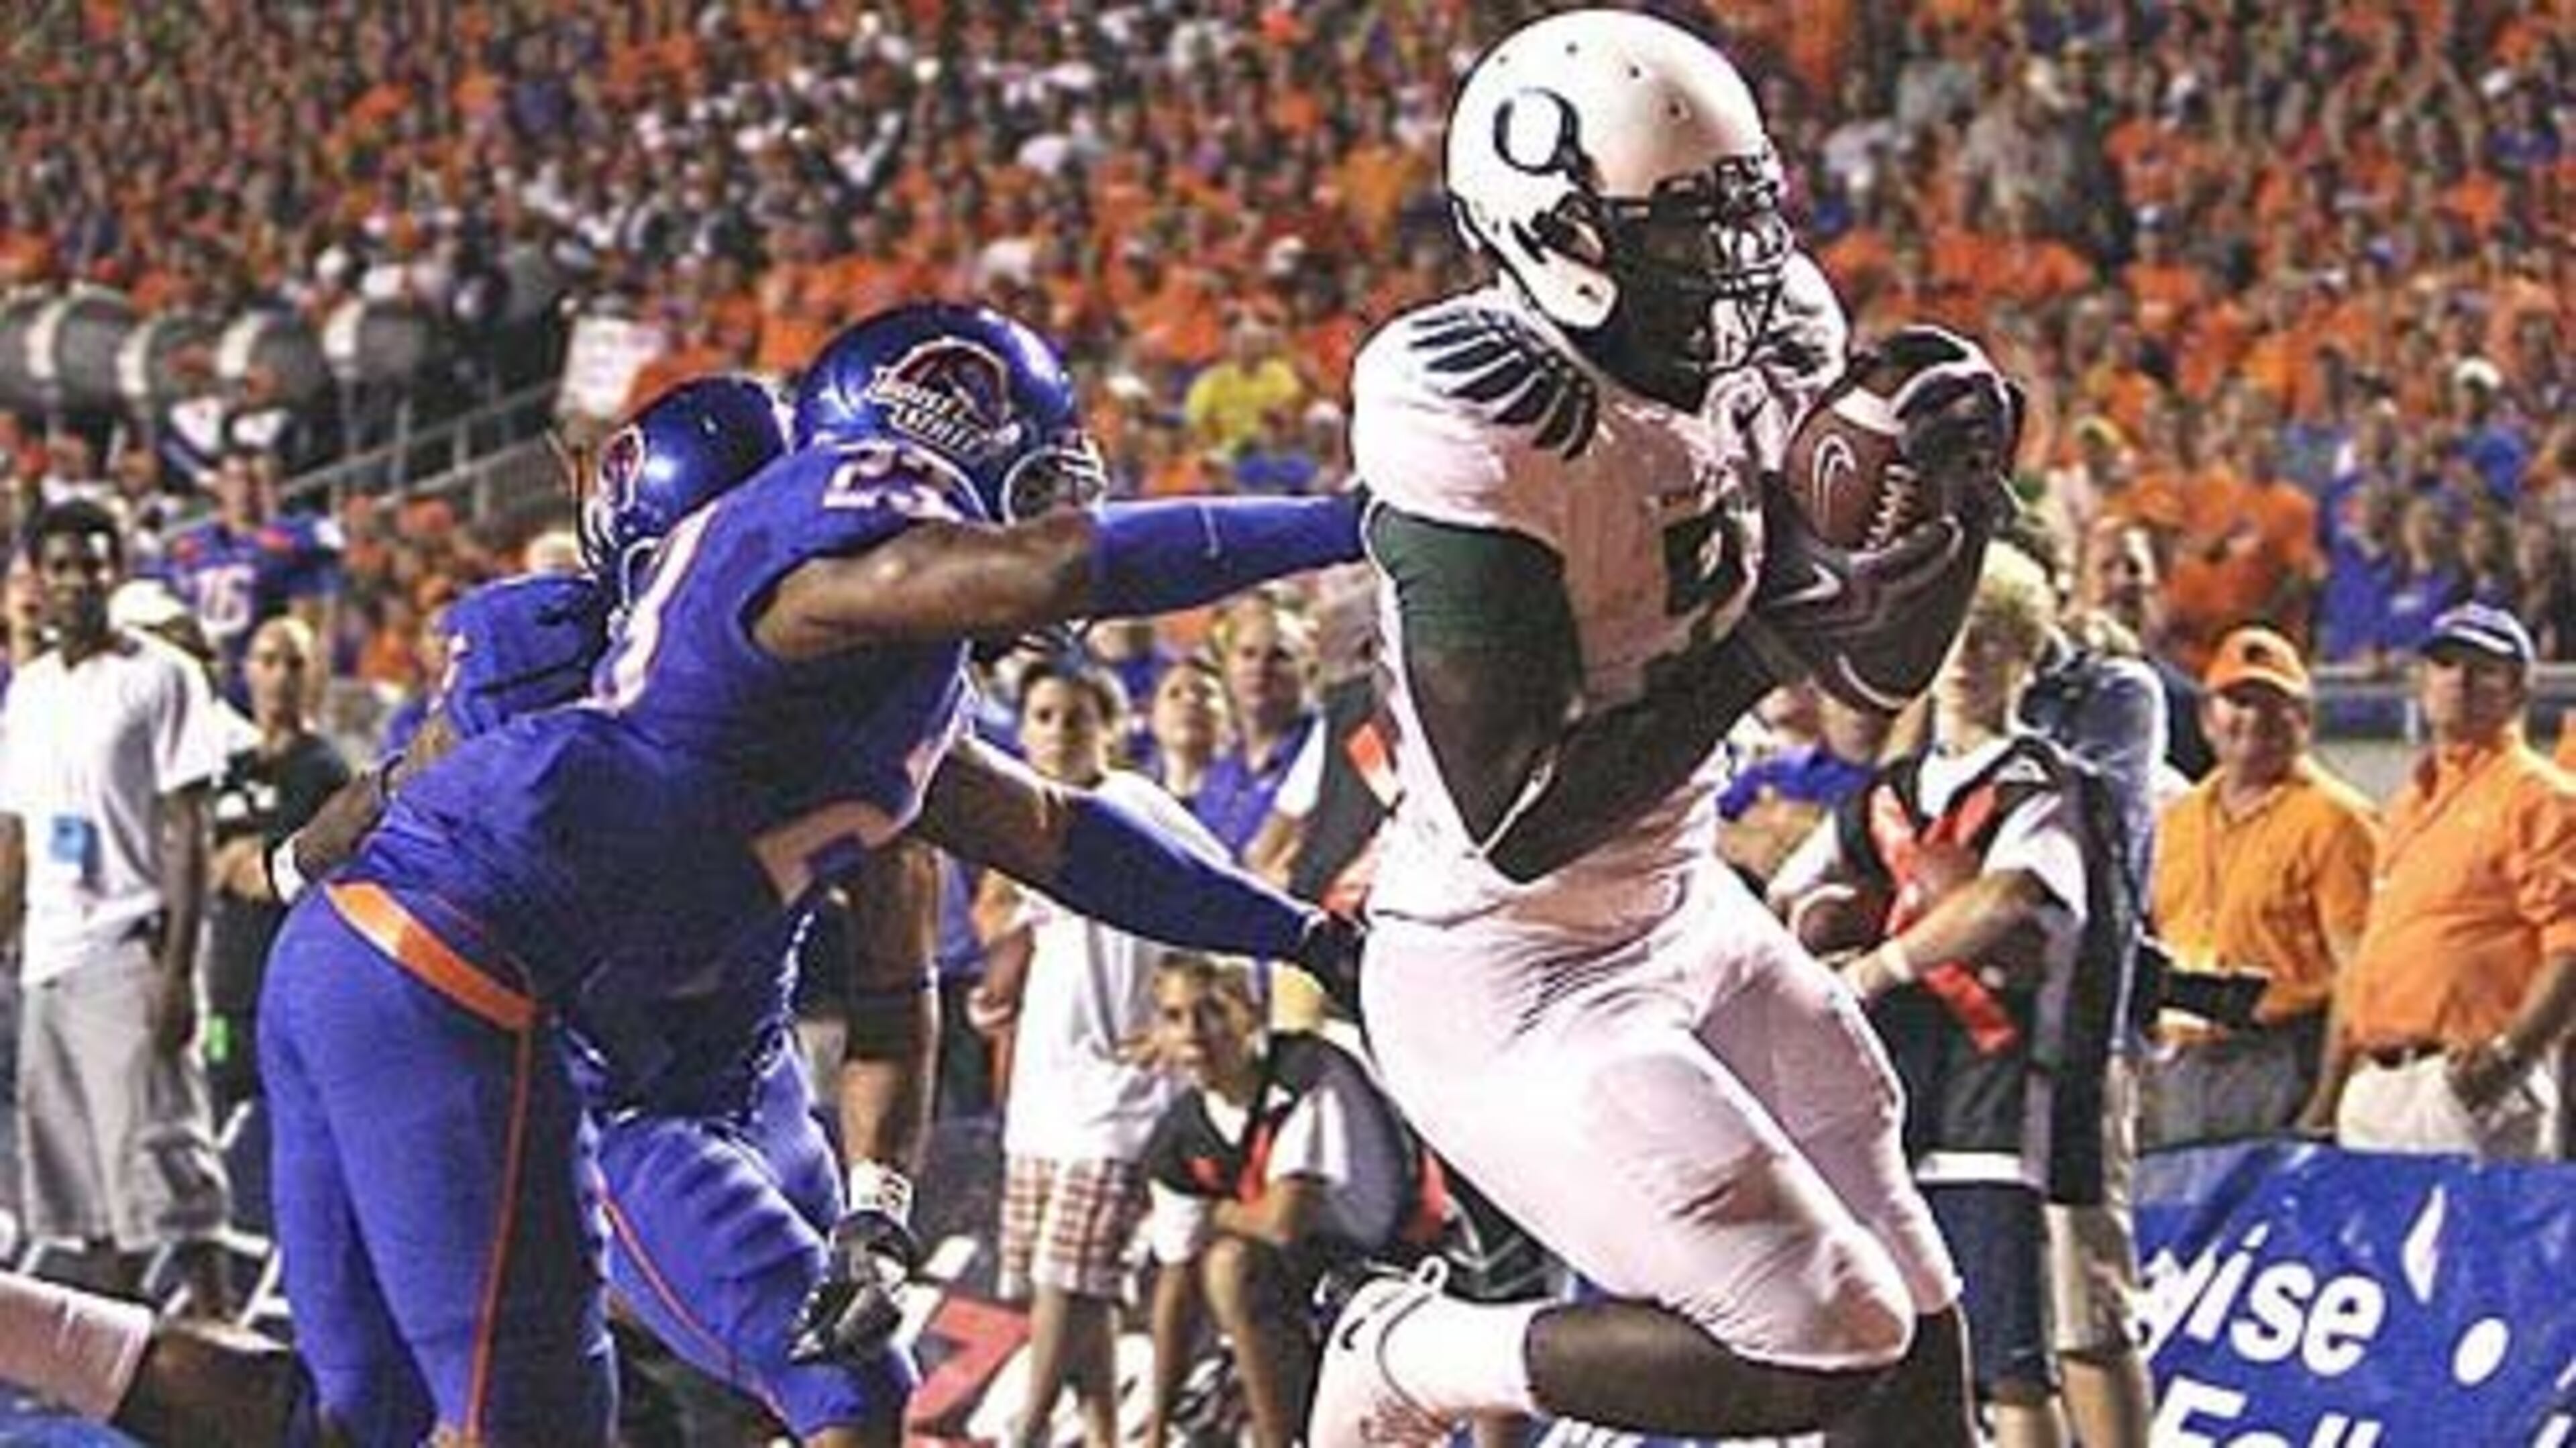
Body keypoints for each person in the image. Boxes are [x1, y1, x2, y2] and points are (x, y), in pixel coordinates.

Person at [258, 302, 1370, 1447]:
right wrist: (1348, 524)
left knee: (375, 1415)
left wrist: (1298, 933)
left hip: (625, 1035)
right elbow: (1040, 571)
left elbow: (1049, 844)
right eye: (1030, 476)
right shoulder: (803, 563)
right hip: (517, 1026)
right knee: (551, 1415)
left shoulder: (876, 686)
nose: (1056, 500)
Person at [1307, 13, 2019, 1446]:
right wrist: (1768, 633)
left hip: (1680, 898)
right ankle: (1416, 1347)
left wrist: (1941, 519)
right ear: (1560, 233)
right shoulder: (1476, 401)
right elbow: (1512, 814)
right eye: (1686, 230)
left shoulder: (1774, 332)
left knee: (1914, 1304)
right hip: (1504, 969)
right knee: (1823, 1339)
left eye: (1739, 215)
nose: (1736, 263)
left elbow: (1877, 676)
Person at [1777, 546, 2117, 1448]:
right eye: (1957, 639)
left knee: (2010, 1353)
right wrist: (1829, 924)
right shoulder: (1885, 794)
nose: (1968, 659)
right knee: (1882, 1341)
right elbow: (1788, 893)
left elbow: (2008, 896)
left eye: (1994, 641)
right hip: (1890, 1093)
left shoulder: (2042, 781)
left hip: (1996, 1088)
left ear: (2027, 655)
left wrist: (1880, 965)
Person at [973, 654, 1217, 1447]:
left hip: (1119, 1095)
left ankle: (1030, 1431)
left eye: (1076, 717)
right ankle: (1107, 1432)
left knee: (1064, 1277)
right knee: (1087, 1288)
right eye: (1043, 717)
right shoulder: (1033, 814)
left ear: (1112, 727)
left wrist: (1188, 1015)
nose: (1056, 733)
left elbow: (1225, 887)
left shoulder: (1131, 801)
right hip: (1047, 1092)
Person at [0, 500, 234, 1317]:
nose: (78, 580)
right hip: (48, 959)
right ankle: (118, 1369)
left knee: (168, 1168)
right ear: (37, 576)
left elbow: (191, 830)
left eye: (94, 563)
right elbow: (18, 835)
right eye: (61, 565)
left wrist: (178, 975)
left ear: (119, 567)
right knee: (80, 1190)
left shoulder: (163, 675)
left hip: (132, 949)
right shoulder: (27, 690)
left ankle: (223, 1335)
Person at [2304, 604, 2575, 1159]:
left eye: (2483, 668)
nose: (2460, 680)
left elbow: (2570, 944)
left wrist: (2509, 1057)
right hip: (2381, 1083)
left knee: (2477, 1246)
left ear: (2519, 689)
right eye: (2445, 663)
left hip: (2466, 1080)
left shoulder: (2539, 796)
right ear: (2420, 681)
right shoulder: (2408, 804)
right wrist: (2337, 1091)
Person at [1138, 952, 1438, 1448]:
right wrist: (1156, 1427)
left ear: (1251, 1012)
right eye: (1174, 1017)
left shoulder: (1306, 1071)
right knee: (1217, 1269)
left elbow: (1284, 1220)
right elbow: (1176, 1280)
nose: (1194, 1032)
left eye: (1211, 1011)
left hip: (1397, 1263)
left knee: (1231, 1264)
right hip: (1306, 1286)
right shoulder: (1178, 1136)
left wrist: (1216, 1212)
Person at [2147, 626, 2377, 1148]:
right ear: (2207, 718)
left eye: (2275, 703)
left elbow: (2357, 975)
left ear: (2306, 719)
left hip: (2281, 1057)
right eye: (2239, 701)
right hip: (2180, 1064)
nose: (2254, 718)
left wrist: (2326, 1100)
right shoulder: (2176, 819)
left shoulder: (2338, 820)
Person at [201, 617, 352, 1125]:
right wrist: (236, 862)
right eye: (267, 661)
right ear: (246, 671)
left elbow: (279, 877)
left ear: (317, 675)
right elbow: (197, 862)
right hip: (229, 978)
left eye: (295, 663)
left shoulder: (327, 771)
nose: (280, 675)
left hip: (291, 980)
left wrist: (244, 865)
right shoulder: (228, 766)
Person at [156, 444, 341, 705]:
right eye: (235, 479)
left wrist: (305, 710)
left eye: (256, 480)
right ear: (219, 485)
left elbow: (313, 639)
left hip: (262, 696)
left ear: (276, 487)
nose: (245, 491)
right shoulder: (192, 548)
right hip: (200, 694)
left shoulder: (295, 543)